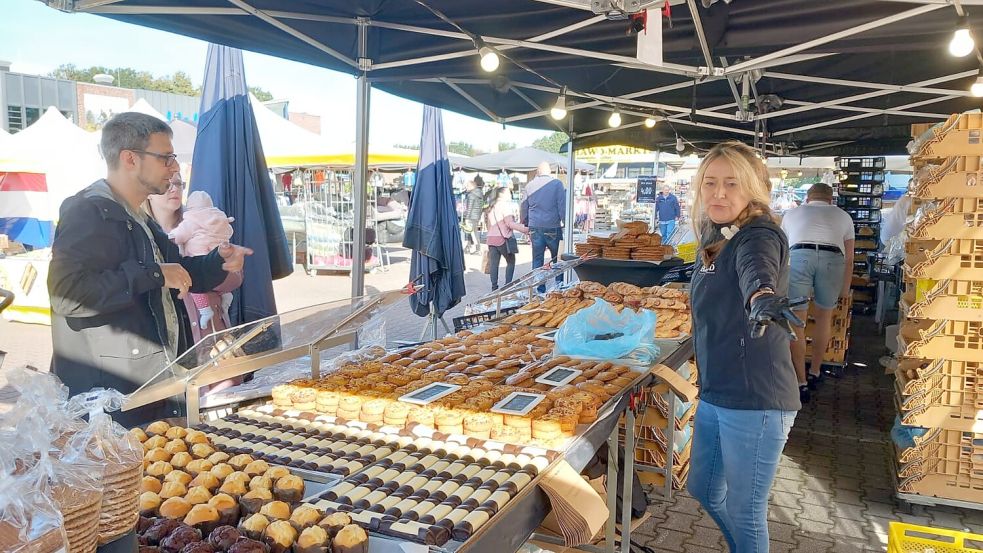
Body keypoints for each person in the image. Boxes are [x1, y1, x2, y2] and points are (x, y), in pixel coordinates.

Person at [48, 112, 252, 427]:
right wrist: (154, 274)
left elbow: (180, 271)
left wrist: (218, 261)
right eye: (166, 157)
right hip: (112, 406)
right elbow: (68, 295)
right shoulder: (87, 212)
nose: (174, 167)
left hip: (151, 392)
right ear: (130, 158)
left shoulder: (139, 217)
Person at [687, 141, 804, 553]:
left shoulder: (758, 234)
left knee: (745, 508)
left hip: (756, 398)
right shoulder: (716, 234)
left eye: (731, 184)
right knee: (702, 488)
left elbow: (757, 270)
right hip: (717, 391)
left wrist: (762, 298)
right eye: (710, 183)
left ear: (753, 189)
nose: (718, 193)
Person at [147, 174, 245, 344]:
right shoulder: (143, 234)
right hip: (169, 341)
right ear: (147, 191)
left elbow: (235, 279)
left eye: (178, 183)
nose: (174, 188)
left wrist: (217, 266)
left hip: (211, 335)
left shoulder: (203, 220)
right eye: (166, 182)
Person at [781, 183, 855, 401]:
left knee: (797, 322)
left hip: (799, 257)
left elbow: (782, 251)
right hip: (833, 260)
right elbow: (850, 258)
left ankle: (800, 382)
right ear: (831, 199)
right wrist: (845, 288)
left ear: (808, 199)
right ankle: (815, 372)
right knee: (824, 318)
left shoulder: (791, 214)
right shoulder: (844, 216)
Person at [520, 162, 566, 290]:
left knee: (537, 259)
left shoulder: (529, 186)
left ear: (537, 172)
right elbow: (561, 205)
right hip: (552, 225)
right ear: (549, 171)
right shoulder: (557, 184)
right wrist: (565, 221)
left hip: (535, 226)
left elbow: (524, 206)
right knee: (557, 258)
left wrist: (525, 222)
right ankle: (559, 287)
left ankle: (540, 289)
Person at [484, 186, 528, 290]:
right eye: (509, 192)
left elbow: (488, 225)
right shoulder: (504, 206)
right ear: (502, 194)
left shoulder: (491, 207)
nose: (510, 194)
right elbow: (509, 223)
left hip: (491, 238)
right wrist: (525, 229)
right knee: (511, 261)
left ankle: (494, 287)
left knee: (494, 264)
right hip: (502, 239)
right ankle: (508, 286)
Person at [461, 180, 484, 255]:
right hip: (476, 216)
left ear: (472, 186)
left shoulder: (471, 195)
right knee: (472, 232)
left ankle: (477, 249)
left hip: (471, 216)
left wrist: (466, 218)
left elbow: (469, 207)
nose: (466, 187)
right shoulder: (479, 193)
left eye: (467, 186)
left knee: (472, 233)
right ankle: (468, 248)